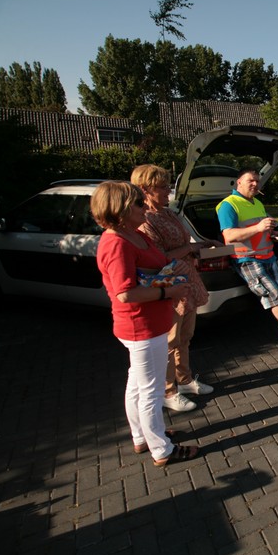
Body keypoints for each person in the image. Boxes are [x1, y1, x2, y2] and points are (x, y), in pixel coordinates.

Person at [91, 180, 200, 467]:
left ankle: (142, 436)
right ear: (121, 209)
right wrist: (168, 292)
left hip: (151, 324)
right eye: (139, 203)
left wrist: (173, 269)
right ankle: (161, 448)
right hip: (141, 327)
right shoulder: (116, 243)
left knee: (138, 385)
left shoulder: (134, 234)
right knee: (151, 390)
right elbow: (125, 293)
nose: (144, 208)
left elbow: (156, 263)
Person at [131, 164, 216, 412]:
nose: (168, 190)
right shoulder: (144, 220)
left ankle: (185, 380)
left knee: (185, 337)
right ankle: (168, 391)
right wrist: (190, 248)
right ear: (145, 189)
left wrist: (201, 246)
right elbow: (158, 257)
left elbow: (182, 243)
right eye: (162, 186)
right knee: (169, 341)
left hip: (185, 283)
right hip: (168, 287)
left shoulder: (167, 213)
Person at [216, 168, 278, 352]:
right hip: (247, 258)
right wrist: (259, 227)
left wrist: (273, 234)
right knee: (274, 296)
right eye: (251, 180)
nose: (255, 184)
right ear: (239, 182)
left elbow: (262, 230)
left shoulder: (257, 203)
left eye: (257, 180)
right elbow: (229, 236)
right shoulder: (228, 205)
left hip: (268, 256)